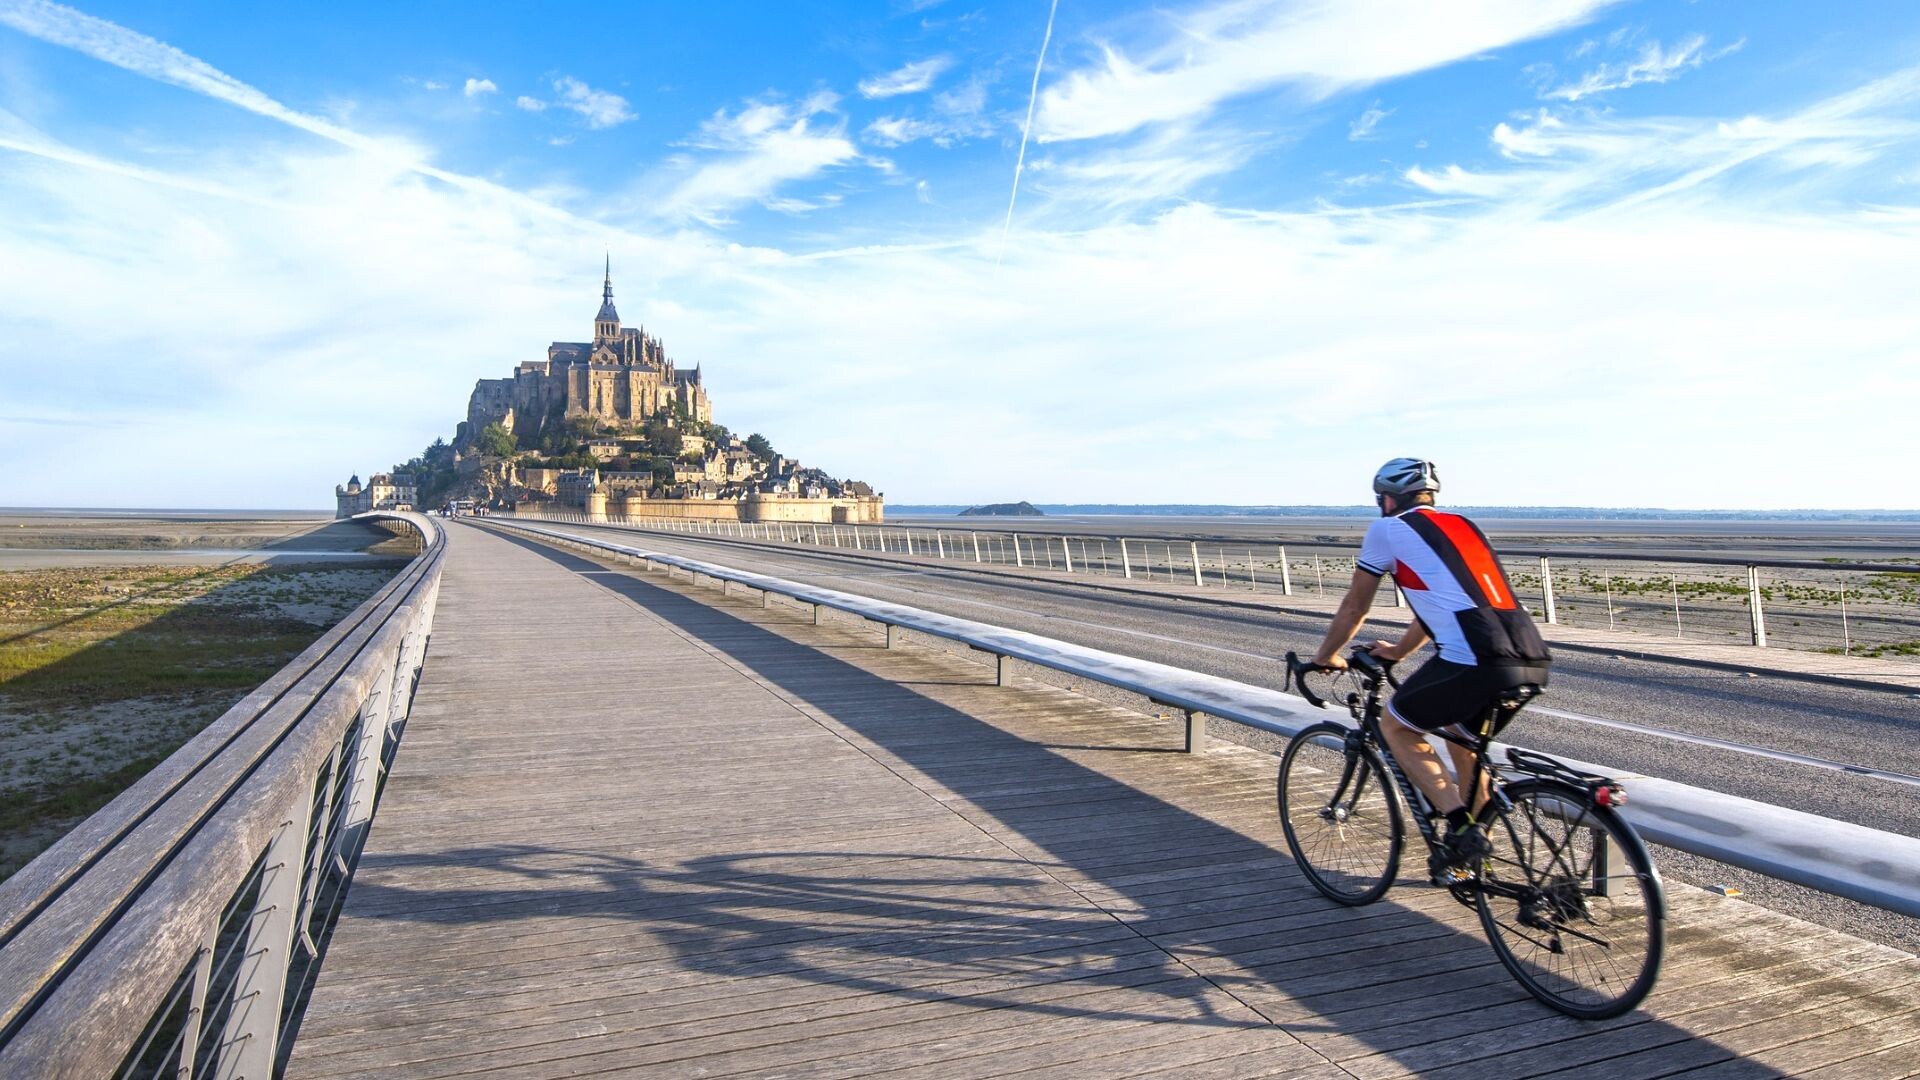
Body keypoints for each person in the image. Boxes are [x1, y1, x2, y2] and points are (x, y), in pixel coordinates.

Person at [1309, 457, 1552, 871]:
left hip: (1475, 657)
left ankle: (1460, 826)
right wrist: (1401, 651)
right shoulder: (1462, 526)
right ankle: (1476, 859)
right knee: (1463, 742)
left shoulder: (1386, 529)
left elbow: (1354, 607)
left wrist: (1326, 655)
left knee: (1396, 725)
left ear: (1387, 499)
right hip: (1530, 654)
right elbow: (1442, 600)